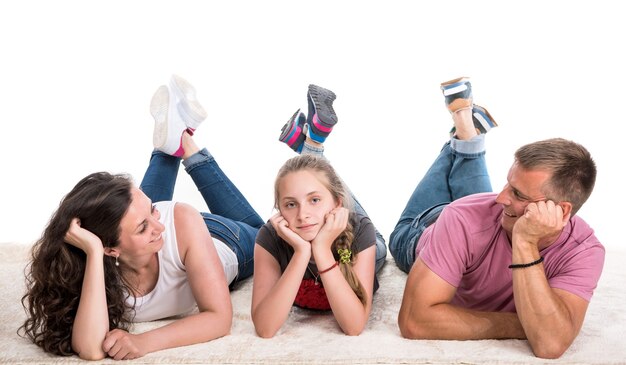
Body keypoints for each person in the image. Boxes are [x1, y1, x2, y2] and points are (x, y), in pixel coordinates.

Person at [19, 75, 264, 360]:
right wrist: (95, 252)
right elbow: (89, 349)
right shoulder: (97, 263)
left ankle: (185, 144)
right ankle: (174, 141)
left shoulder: (175, 220)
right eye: (143, 227)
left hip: (223, 239)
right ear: (110, 249)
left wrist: (144, 342)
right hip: (150, 242)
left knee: (265, 234)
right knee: (134, 216)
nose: (160, 226)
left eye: (152, 211)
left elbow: (219, 319)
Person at [391, 77, 605, 359]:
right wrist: (525, 324)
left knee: (484, 207)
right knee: (408, 232)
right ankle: (462, 136)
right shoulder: (462, 218)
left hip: (476, 221)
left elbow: (550, 345)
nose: (500, 196)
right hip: (422, 230)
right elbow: (414, 321)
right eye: (507, 183)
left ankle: (466, 131)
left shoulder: (584, 250)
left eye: (518, 192)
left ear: (563, 211)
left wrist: (526, 242)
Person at [251, 84, 387, 337]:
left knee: (321, 185)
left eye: (313, 201)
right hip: (326, 219)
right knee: (315, 183)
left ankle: (312, 147)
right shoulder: (270, 236)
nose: (302, 214)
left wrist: (323, 249)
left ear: (338, 204)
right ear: (279, 208)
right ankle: (312, 143)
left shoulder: (360, 231)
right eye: (290, 204)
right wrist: (302, 251)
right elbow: (265, 328)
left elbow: (354, 326)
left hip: (356, 242)